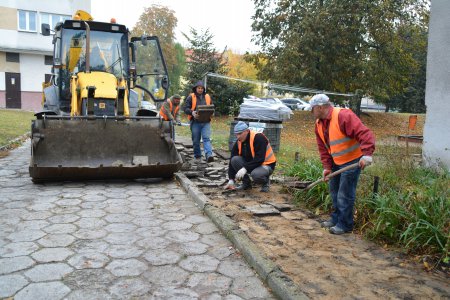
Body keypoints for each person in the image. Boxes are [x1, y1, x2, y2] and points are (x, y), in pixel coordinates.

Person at [310, 94, 375, 235]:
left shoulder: (343, 116)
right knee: (334, 192)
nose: (311, 112)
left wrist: (367, 154)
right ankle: (336, 219)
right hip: (336, 162)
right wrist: (327, 167)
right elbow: (323, 148)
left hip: (352, 161)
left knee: (344, 194)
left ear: (320, 107)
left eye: (312, 109)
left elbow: (364, 133)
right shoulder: (319, 124)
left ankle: (345, 224)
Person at [224, 121, 277, 192]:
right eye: (236, 134)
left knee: (256, 175)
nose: (238, 136)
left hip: (267, 164)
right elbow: (231, 161)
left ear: (247, 131)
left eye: (240, 134)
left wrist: (245, 168)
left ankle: (265, 182)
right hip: (253, 164)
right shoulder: (239, 141)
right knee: (234, 159)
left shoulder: (258, 138)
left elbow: (259, 159)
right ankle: (247, 184)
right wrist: (231, 180)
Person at [183, 81, 214, 162]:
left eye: (202, 88)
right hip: (195, 122)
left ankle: (209, 155)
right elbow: (185, 108)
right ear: (195, 88)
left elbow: (211, 107)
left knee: (206, 138)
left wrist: (212, 112)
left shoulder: (207, 96)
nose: (200, 89)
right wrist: (192, 113)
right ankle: (197, 156)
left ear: (203, 89)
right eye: (199, 88)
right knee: (196, 140)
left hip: (206, 121)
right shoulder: (191, 97)